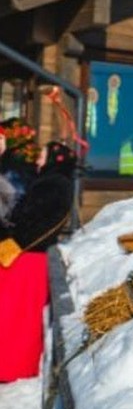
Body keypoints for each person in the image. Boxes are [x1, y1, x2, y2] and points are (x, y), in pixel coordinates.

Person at [0, 137, 76, 382]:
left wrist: (18, 243)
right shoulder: (48, 180)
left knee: (17, 316)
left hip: (28, 259)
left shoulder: (56, 183)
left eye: (43, 154)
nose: (39, 158)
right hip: (22, 256)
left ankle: (13, 367)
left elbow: (48, 221)